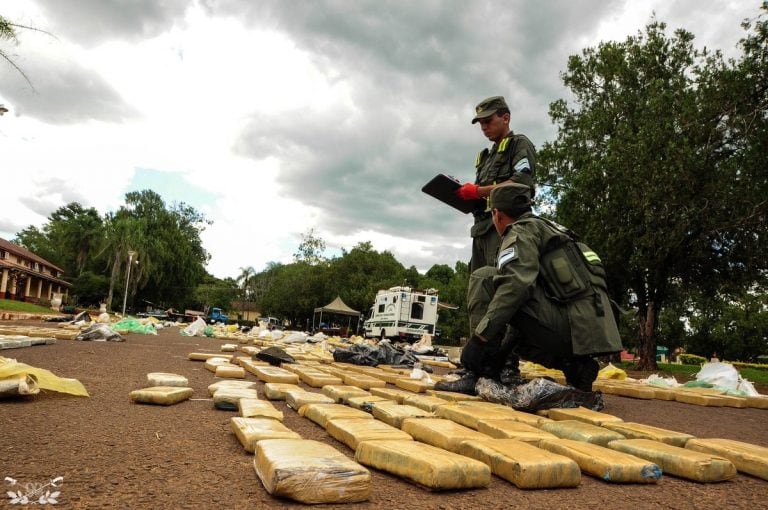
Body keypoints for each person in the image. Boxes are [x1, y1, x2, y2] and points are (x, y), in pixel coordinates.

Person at [435, 183, 623, 395]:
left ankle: (476, 375)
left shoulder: (520, 231)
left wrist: (480, 340)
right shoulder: (549, 228)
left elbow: (515, 285)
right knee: (512, 324)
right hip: (588, 332)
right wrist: (496, 359)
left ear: (497, 214)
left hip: (569, 327)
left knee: (485, 278)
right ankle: (575, 367)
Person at [456, 96, 537, 273]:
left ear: (505, 118)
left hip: (506, 228)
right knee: (479, 286)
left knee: (502, 280)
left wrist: (478, 191)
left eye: (488, 121)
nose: (484, 127)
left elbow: (522, 182)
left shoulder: (519, 144)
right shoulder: (486, 157)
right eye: (480, 124)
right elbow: (482, 196)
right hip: (481, 229)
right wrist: (463, 193)